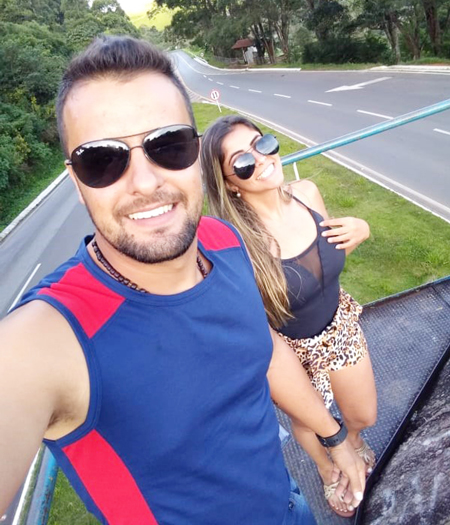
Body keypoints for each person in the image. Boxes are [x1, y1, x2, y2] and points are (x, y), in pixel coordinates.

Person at [0, 36, 366, 525]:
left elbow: (264, 349)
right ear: (75, 179)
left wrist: (334, 438)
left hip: (289, 505)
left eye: (168, 145)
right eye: (101, 160)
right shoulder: (46, 340)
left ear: (195, 153)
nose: (145, 182)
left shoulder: (223, 242)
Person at [201, 114, 378, 518]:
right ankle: (326, 469)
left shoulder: (307, 193)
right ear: (230, 182)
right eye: (242, 161)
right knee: (310, 421)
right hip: (290, 351)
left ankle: (351, 442)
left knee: (363, 414)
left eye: (261, 144)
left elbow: (324, 263)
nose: (261, 160)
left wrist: (361, 229)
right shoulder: (237, 242)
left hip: (339, 327)